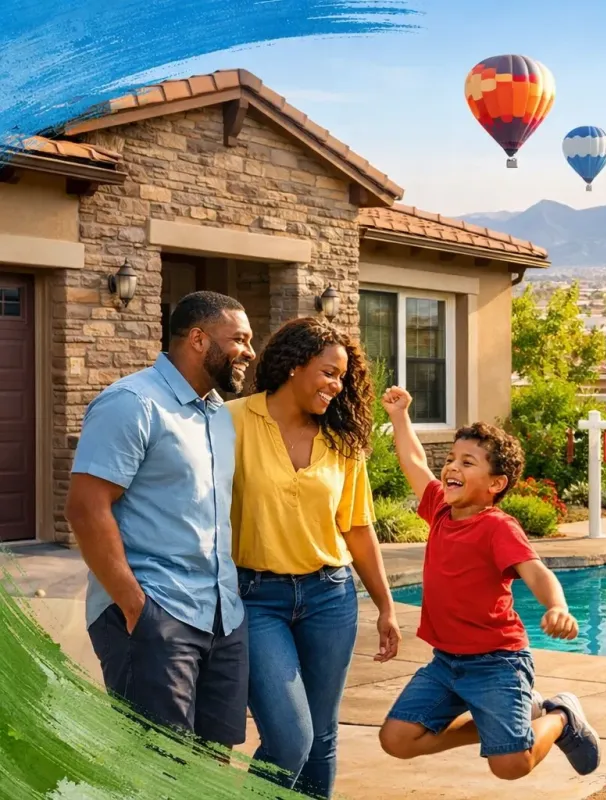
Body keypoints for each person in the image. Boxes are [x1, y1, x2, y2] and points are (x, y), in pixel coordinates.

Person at [375, 386, 602, 781]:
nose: (451, 468)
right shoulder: (441, 510)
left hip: (498, 663)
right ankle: (503, 729)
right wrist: (399, 416)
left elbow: (537, 571)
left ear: (496, 484)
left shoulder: (497, 527)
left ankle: (561, 715)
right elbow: (413, 461)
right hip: (445, 662)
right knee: (396, 739)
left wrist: (558, 607)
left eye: (467, 462)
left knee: (510, 766)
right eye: (450, 460)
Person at [67, 290, 255, 750]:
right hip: (156, 613)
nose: (250, 351)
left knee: (214, 760)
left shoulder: (217, 415)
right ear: (197, 338)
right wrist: (136, 608)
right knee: (160, 767)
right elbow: (87, 508)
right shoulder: (132, 403)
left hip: (221, 617)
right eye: (240, 339)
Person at [227, 316, 401, 798]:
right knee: (290, 738)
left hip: (330, 596)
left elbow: (358, 529)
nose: (336, 385)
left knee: (322, 737)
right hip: (256, 598)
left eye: (342, 376)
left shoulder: (341, 440)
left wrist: (385, 606)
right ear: (294, 366)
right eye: (328, 372)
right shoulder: (233, 420)